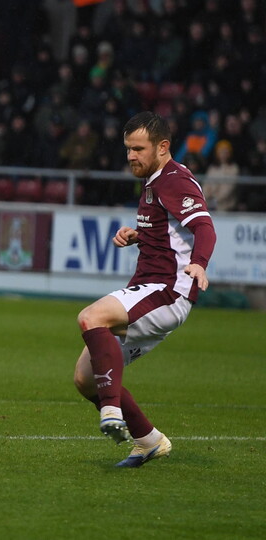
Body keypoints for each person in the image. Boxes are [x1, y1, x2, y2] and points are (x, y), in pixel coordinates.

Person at [73, 111, 216, 468]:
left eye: (138, 148)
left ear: (163, 147)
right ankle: (149, 441)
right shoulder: (153, 180)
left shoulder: (174, 180)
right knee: (86, 379)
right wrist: (139, 235)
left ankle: (110, 413)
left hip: (167, 292)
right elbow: (170, 232)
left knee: (91, 318)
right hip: (149, 290)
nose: (130, 156)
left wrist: (200, 262)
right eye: (128, 149)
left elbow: (205, 228)